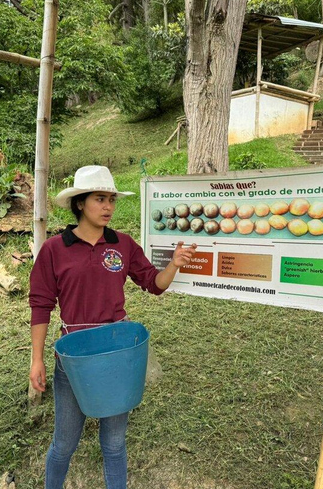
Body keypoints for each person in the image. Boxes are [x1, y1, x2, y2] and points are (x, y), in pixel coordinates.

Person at [29, 165, 197, 489]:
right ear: (80, 203)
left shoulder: (122, 245)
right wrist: (36, 359)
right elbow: (40, 305)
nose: (107, 207)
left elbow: (154, 283)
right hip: (74, 360)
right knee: (64, 444)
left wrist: (173, 265)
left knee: (115, 444)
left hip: (117, 357)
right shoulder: (54, 249)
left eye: (111, 200)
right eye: (99, 199)